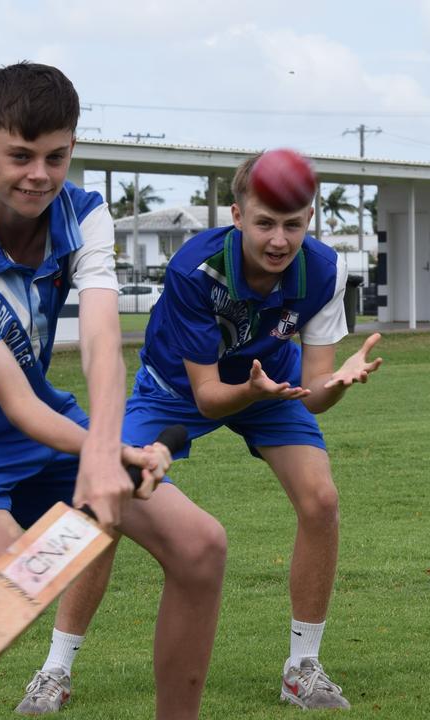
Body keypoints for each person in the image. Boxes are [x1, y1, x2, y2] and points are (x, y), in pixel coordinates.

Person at [0, 62, 226, 720]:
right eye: (20, 156)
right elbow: (14, 399)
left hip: (39, 420)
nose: (39, 174)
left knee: (201, 544)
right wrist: (100, 453)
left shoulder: (85, 214)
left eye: (55, 156)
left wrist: (108, 449)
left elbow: (98, 344)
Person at [19, 152, 383, 713]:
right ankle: (55, 670)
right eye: (265, 222)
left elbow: (314, 394)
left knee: (322, 498)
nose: (280, 239)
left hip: (271, 387)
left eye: (294, 224)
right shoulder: (197, 267)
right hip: (176, 389)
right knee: (105, 502)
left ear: (310, 218)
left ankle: (302, 668)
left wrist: (338, 381)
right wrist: (256, 390)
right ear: (237, 216)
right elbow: (209, 397)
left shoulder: (325, 269)